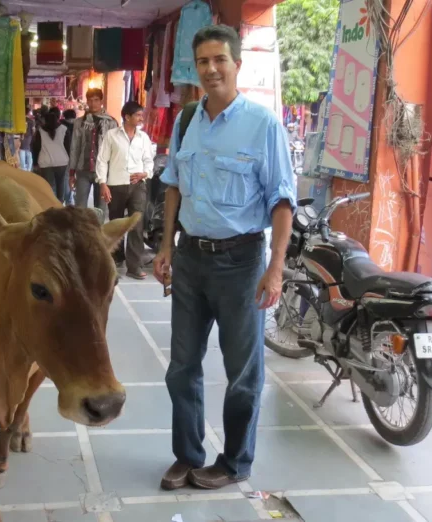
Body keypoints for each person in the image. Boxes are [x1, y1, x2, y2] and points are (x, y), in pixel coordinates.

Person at [153, 24, 296, 491]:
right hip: (191, 258)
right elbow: (173, 184)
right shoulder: (187, 119)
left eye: (220, 60)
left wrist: (275, 269)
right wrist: (165, 246)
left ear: (237, 64)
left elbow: (281, 201)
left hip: (241, 264)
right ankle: (187, 455)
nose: (211, 69)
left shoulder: (263, 124)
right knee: (182, 367)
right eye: (203, 62)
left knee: (243, 374)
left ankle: (235, 462)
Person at [95, 101, 154, 279]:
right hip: (116, 184)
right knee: (117, 223)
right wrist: (103, 184)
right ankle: (116, 258)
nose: (141, 118)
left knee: (136, 223)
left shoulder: (143, 138)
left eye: (141, 115)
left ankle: (134, 265)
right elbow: (102, 160)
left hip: (138, 185)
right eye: (138, 115)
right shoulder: (111, 136)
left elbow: (149, 160)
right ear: (127, 117)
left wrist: (145, 173)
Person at [68, 88, 119, 214]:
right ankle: (81, 233)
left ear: (101, 101)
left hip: (102, 173)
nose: (93, 103)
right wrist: (71, 173)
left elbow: (115, 149)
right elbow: (75, 147)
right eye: (90, 100)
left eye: (96, 100)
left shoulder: (111, 122)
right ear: (87, 102)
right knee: (80, 208)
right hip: (83, 169)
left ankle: (98, 233)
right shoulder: (79, 122)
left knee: (100, 209)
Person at [32, 111, 69, 200]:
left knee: (50, 187)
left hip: (45, 162)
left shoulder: (40, 131)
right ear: (57, 119)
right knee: (61, 185)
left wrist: (35, 163)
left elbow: (36, 148)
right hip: (62, 161)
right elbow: (68, 146)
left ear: (45, 120)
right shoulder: (64, 129)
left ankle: (52, 205)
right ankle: (60, 204)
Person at [19, 107, 35, 172]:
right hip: (29, 137)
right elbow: (33, 130)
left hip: (21, 136)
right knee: (28, 151)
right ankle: (29, 168)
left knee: (22, 151)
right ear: (28, 112)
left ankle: (23, 167)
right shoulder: (31, 121)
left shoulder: (20, 120)